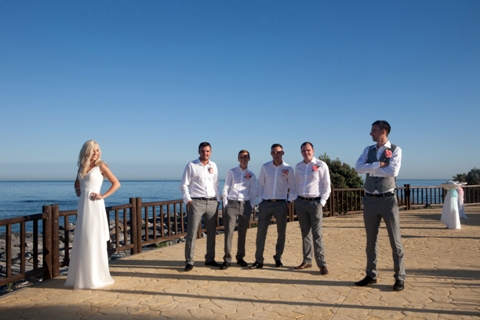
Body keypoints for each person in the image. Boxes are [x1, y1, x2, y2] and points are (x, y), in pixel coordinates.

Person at [354, 120, 405, 291]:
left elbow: (393, 171)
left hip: (388, 200)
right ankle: (371, 274)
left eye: (373, 130)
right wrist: (377, 165)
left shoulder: (396, 149)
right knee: (370, 241)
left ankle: (399, 277)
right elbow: (358, 168)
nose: (371, 133)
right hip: (369, 200)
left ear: (383, 131)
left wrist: (370, 169)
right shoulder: (368, 150)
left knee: (395, 241)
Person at [64, 140, 120, 289]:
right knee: (83, 238)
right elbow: (77, 183)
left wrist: (103, 196)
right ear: (86, 151)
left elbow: (116, 183)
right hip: (83, 206)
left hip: (95, 206)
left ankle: (95, 277)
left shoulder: (101, 166)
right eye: (93, 150)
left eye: (98, 150)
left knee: (93, 238)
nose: (96, 153)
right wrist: (78, 191)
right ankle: (81, 277)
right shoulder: (81, 167)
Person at [250, 144, 295, 269]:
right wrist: (260, 200)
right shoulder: (265, 167)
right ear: (271, 153)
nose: (276, 154)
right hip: (266, 203)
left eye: (278, 152)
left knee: (281, 233)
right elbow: (260, 185)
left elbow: (292, 187)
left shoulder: (289, 169)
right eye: (273, 152)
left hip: (281, 203)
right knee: (261, 233)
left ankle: (278, 258)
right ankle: (259, 260)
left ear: (283, 153)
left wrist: (289, 201)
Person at [180, 142, 221, 272]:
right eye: (203, 151)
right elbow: (184, 185)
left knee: (212, 233)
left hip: (212, 202)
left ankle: (210, 258)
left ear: (211, 152)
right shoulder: (191, 165)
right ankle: (189, 261)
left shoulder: (213, 165)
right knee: (192, 233)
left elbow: (215, 185)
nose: (205, 153)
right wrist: (189, 201)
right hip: (196, 202)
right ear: (199, 151)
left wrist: (218, 199)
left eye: (208, 151)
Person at [293, 142, 331, 275]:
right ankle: (307, 260)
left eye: (308, 150)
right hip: (301, 202)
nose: (306, 152)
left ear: (313, 151)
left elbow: (326, 185)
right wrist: (294, 198)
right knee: (305, 233)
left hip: (315, 203)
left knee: (317, 234)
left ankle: (322, 264)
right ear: (301, 152)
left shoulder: (321, 165)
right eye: (303, 150)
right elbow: (295, 184)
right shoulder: (298, 166)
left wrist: (322, 202)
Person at [220, 150, 257, 270]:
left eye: (246, 157)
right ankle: (227, 258)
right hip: (232, 203)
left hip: (245, 205)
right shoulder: (232, 172)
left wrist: (251, 205)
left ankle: (240, 257)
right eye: (241, 157)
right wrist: (225, 203)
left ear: (249, 159)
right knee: (229, 232)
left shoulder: (251, 175)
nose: (243, 159)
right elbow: (226, 187)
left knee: (243, 233)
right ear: (238, 158)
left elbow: (253, 192)